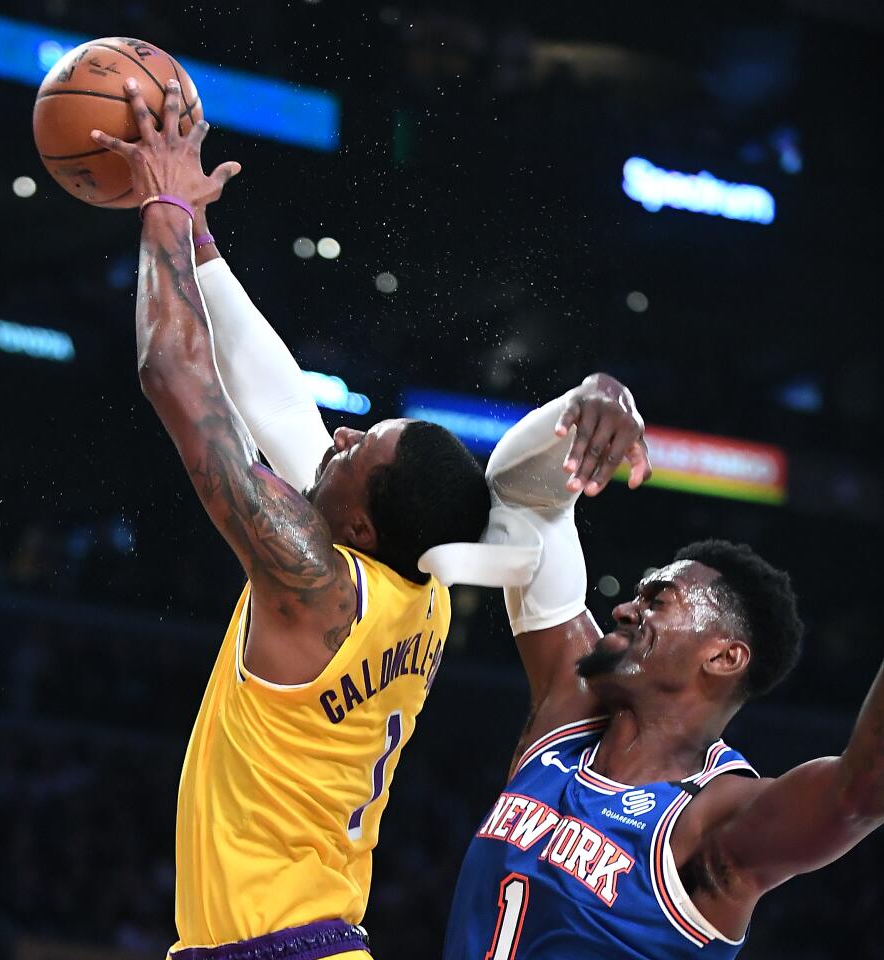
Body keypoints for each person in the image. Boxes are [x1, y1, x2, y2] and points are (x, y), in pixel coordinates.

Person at [93, 79, 648, 960]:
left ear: (353, 523)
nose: (339, 435)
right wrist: (201, 237)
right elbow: (275, 397)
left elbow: (177, 380)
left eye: (354, 450)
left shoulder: (309, 584)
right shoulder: (413, 584)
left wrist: (161, 202)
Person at [442, 385, 884, 959]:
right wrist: (583, 403)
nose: (626, 608)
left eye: (659, 599)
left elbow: (860, 793)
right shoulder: (566, 714)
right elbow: (520, 497)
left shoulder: (713, 818)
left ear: (724, 657)